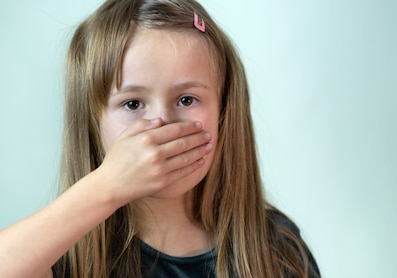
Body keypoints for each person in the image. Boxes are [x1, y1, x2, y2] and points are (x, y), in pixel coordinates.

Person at [0, 0, 320, 277]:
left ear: (224, 112)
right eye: (133, 104)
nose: (161, 125)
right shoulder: (62, 254)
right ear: (92, 123)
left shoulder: (276, 248)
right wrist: (108, 186)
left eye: (186, 100)